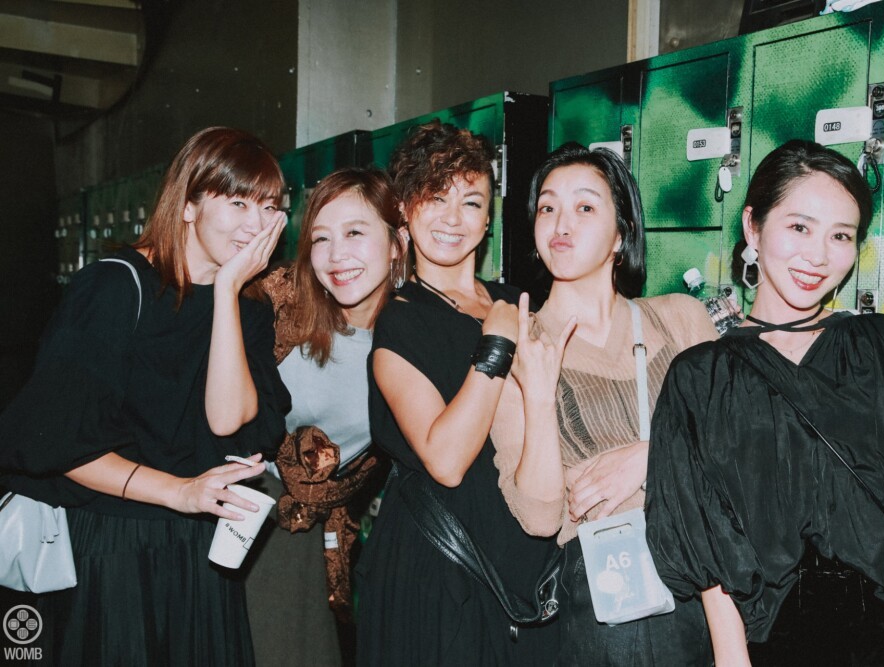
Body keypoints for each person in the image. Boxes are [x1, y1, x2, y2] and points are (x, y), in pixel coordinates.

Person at [645, 139, 884, 667]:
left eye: (841, 236)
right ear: (752, 227)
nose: (818, 256)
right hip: (767, 647)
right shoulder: (700, 378)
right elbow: (708, 549)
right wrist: (732, 661)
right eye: (799, 227)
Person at [0, 127, 291, 665]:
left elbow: (227, 420)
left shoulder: (247, 307)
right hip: (112, 544)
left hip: (198, 550)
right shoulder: (115, 287)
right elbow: (58, 443)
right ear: (188, 205)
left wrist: (227, 291)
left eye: (270, 206)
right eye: (238, 202)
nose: (256, 224)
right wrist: (177, 492)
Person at [490, 142, 718, 665]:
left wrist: (649, 456)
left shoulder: (681, 319)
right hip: (607, 602)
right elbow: (539, 515)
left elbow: (739, 442)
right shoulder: (521, 343)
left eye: (585, 207)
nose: (561, 223)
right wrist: (539, 394)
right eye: (547, 207)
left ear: (621, 235)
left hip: (708, 580)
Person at [356, 120, 560, 666]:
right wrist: (496, 344)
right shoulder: (400, 320)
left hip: (524, 557)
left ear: (489, 218)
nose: (453, 218)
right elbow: (446, 460)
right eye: (435, 197)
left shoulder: (517, 299)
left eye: (471, 203)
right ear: (405, 209)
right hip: (443, 571)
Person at [245, 167, 405, 666]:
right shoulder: (280, 302)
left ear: (397, 243)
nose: (336, 256)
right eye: (320, 238)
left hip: (316, 530)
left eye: (355, 233)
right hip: (246, 506)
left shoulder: (414, 335)